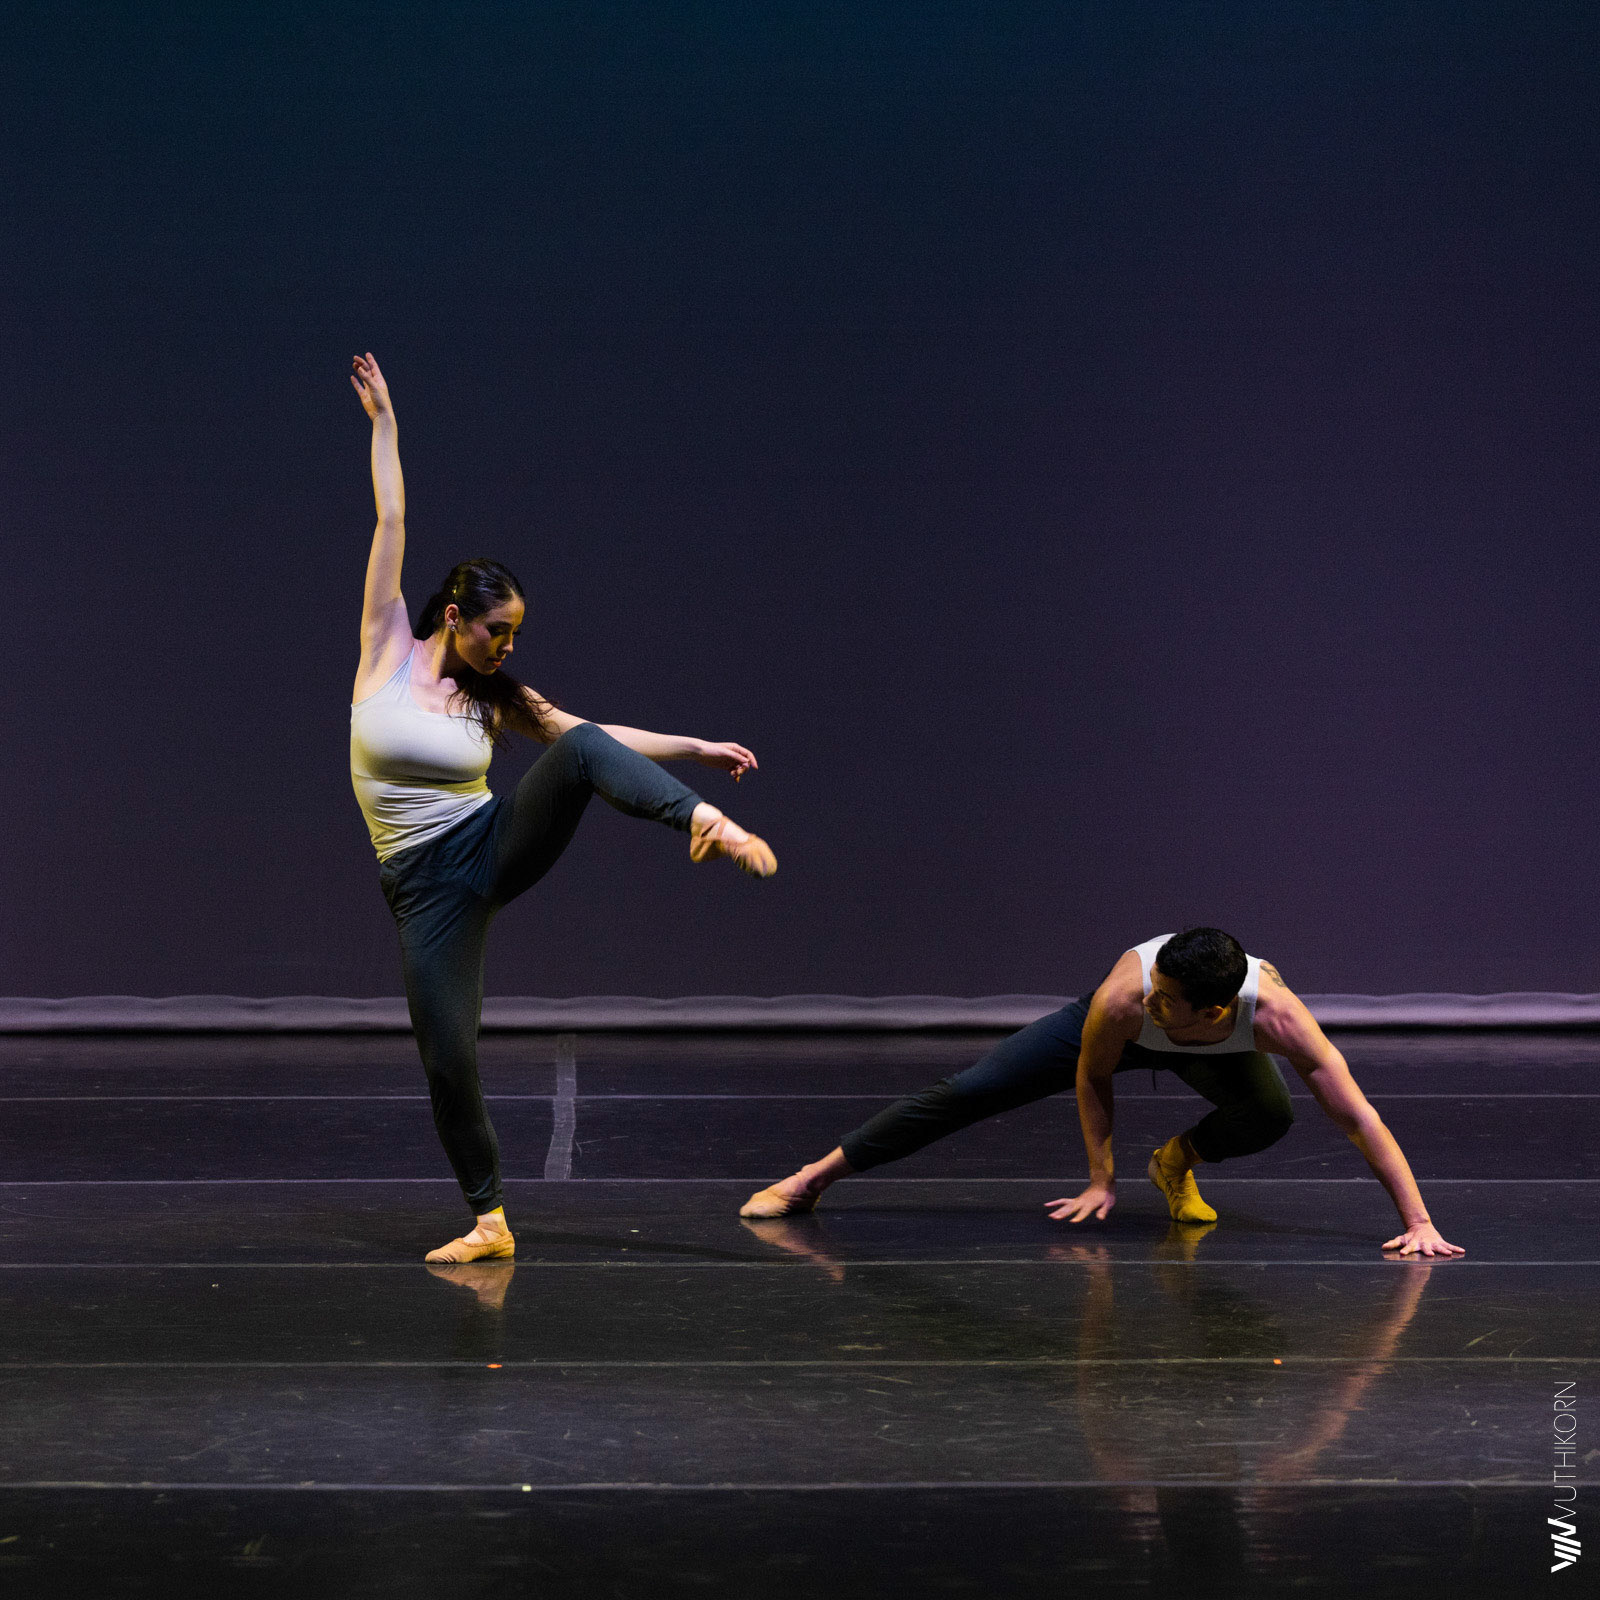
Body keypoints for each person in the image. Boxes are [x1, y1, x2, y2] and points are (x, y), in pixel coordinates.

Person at [349, 352, 775, 1264]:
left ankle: (703, 823)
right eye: (496, 630)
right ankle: (490, 1222)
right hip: (423, 891)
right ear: (454, 615)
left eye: (516, 635)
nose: (507, 647)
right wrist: (385, 422)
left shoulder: (494, 700)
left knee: (577, 750)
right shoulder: (385, 647)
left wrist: (695, 749)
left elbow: (593, 735)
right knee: (447, 1061)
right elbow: (392, 520)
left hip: (489, 841)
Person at [740, 927, 1464, 1257]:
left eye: (1167, 998)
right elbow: (1091, 1076)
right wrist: (1100, 1177)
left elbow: (1358, 1117)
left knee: (1271, 1114)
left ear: (1215, 1009)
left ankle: (1175, 1162)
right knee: (970, 1090)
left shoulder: (1276, 1019)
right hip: (1101, 1035)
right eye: (1154, 985)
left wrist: (1420, 1222)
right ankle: (811, 1179)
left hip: (1212, 1053)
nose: (1152, 998)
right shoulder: (1127, 1000)